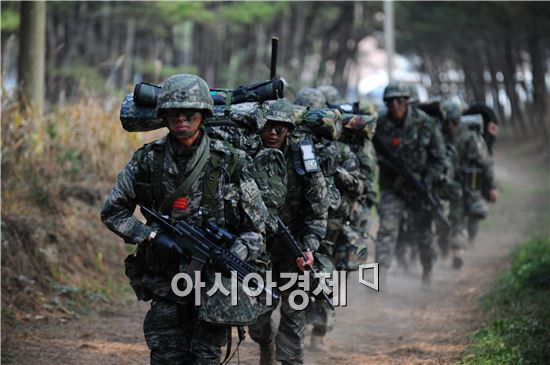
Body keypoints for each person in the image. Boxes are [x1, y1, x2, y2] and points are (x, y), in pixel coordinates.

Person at [101, 74, 269, 364]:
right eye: (174, 112)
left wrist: (232, 253)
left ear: (203, 114)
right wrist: (151, 236)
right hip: (166, 283)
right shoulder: (147, 160)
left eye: (189, 111)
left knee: (205, 358)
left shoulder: (231, 161)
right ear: (163, 115)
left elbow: (257, 229)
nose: (182, 117)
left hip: (215, 286)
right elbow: (113, 212)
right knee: (166, 357)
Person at [249, 99, 329, 365]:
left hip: (294, 249)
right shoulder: (247, 155)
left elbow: (318, 210)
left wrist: (309, 246)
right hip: (256, 250)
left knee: (294, 318)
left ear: (289, 131)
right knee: (257, 318)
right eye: (268, 127)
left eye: (279, 128)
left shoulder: (303, 159)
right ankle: (266, 343)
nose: (272, 133)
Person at [374, 80, 446, 286]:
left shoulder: (425, 123)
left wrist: (426, 181)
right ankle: (380, 277)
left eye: (399, 100)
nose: (395, 105)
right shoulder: (380, 123)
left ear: (407, 102)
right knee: (387, 229)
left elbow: (439, 158)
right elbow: (370, 151)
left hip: (419, 187)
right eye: (390, 101)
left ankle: (428, 270)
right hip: (392, 187)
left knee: (423, 232)